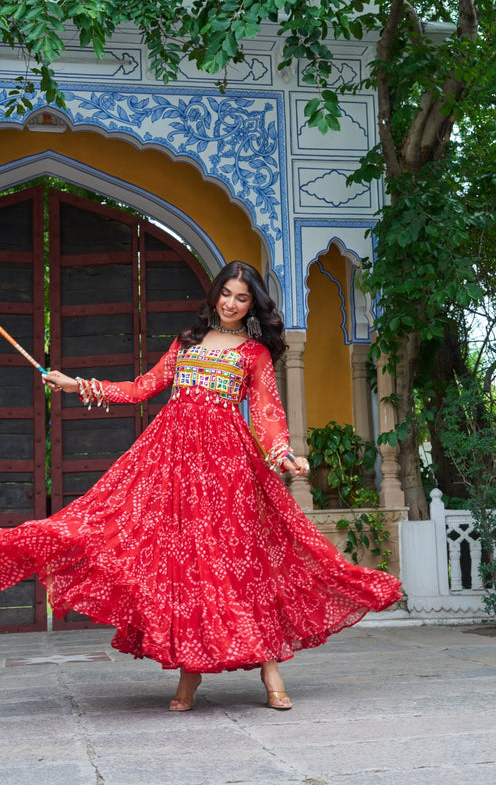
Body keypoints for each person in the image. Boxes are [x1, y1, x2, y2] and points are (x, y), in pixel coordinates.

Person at [0, 261, 402, 712]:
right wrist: (77, 385)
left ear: (253, 304)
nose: (231, 303)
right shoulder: (186, 342)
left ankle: (271, 672)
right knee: (180, 561)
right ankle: (189, 676)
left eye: (242, 297)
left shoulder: (254, 354)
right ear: (214, 295)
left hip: (228, 467)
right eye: (226, 293)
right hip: (170, 463)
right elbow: (142, 388)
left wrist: (285, 455)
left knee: (236, 563)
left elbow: (268, 413)